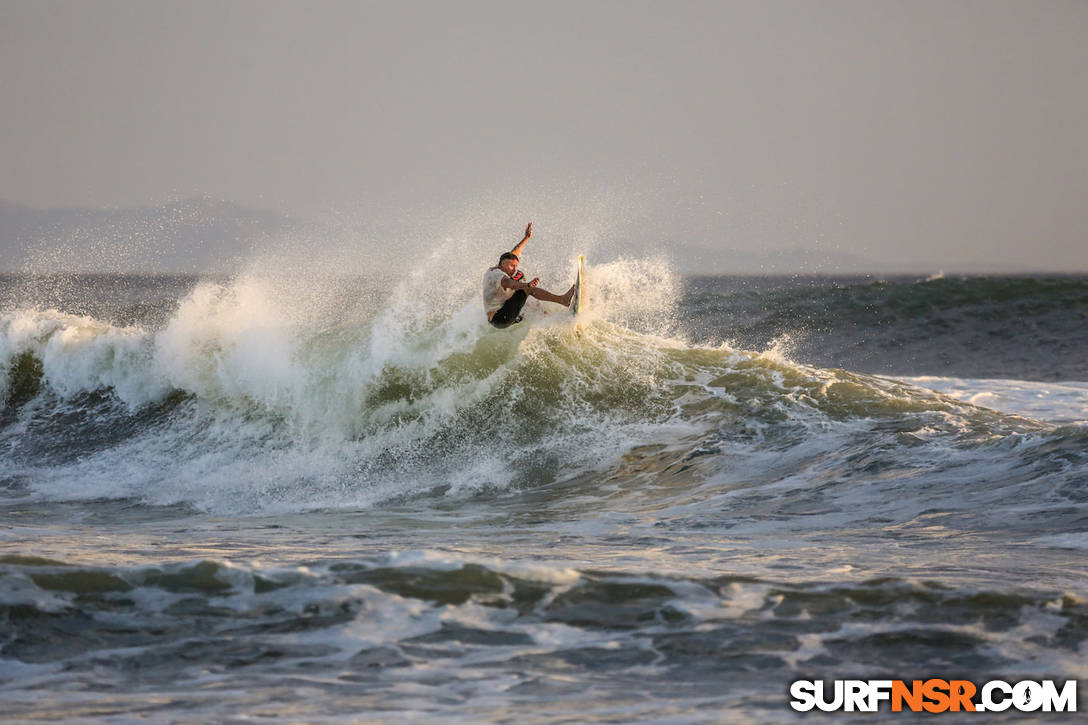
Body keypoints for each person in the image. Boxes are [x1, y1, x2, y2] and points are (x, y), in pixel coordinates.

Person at [482, 222, 575, 328]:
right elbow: (510, 283)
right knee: (527, 290)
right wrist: (527, 286)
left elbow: (514, 253)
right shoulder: (498, 276)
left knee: (531, 305)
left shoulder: (496, 269)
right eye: (512, 266)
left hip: (500, 317)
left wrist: (526, 237)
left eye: (515, 266)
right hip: (501, 317)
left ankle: (556, 322)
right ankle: (563, 300)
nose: (514, 269)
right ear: (503, 263)